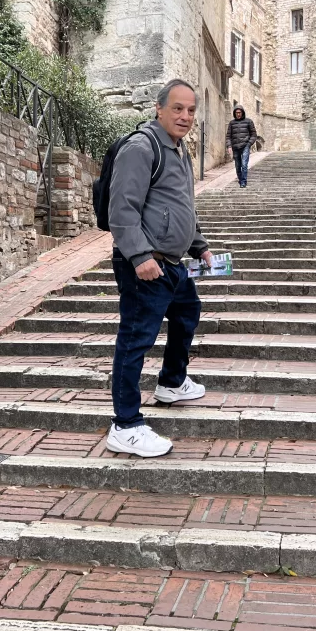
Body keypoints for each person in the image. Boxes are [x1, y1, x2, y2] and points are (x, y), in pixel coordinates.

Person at [106, 79, 213, 458]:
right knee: (136, 339)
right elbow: (121, 210)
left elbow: (181, 204)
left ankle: (171, 383)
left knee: (188, 313)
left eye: (190, 110)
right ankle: (125, 425)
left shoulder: (179, 149)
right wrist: (139, 257)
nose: (185, 116)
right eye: (178, 108)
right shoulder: (142, 147)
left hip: (172, 263)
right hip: (146, 265)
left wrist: (198, 245)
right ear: (159, 108)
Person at [226, 105, 257, 188]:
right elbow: (228, 136)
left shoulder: (249, 121)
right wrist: (229, 146)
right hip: (235, 147)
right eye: (236, 113)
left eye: (239, 112)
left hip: (245, 146)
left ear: (242, 113)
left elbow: (254, 135)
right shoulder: (232, 123)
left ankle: (243, 182)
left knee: (244, 164)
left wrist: (249, 143)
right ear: (234, 113)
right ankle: (240, 180)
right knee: (237, 166)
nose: (238, 114)